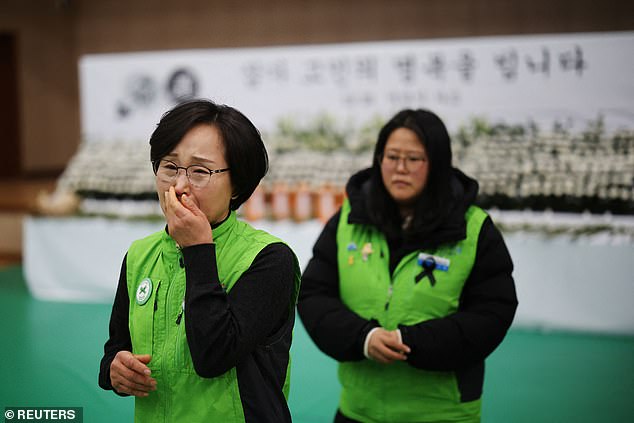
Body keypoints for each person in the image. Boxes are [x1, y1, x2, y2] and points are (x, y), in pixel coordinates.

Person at [298, 109, 518, 423]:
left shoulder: (473, 230)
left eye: (414, 159)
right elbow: (314, 295)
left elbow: (492, 314)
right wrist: (365, 337)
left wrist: (411, 342)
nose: (400, 169)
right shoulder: (349, 219)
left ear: (438, 164)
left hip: (442, 414)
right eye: (391, 157)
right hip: (358, 411)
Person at [98, 99, 301, 422]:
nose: (179, 186)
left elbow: (213, 357)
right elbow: (116, 345)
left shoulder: (269, 259)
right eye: (169, 167)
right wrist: (113, 370)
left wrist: (198, 251)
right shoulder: (140, 254)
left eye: (200, 172)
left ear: (237, 184)